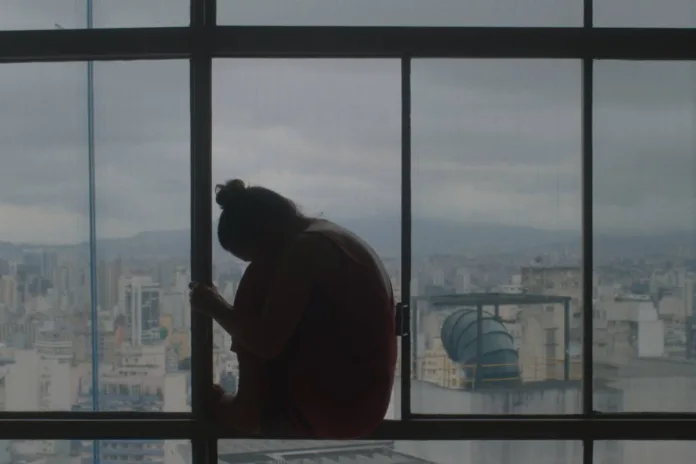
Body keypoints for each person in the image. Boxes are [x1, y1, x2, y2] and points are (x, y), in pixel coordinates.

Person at [189, 179, 396, 439]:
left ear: (267, 230)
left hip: (339, 408)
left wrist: (214, 307)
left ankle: (247, 409)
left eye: (257, 254)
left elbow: (267, 342)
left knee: (256, 281)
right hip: (366, 406)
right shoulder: (331, 236)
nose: (262, 261)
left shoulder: (306, 249)